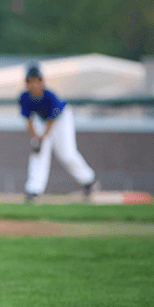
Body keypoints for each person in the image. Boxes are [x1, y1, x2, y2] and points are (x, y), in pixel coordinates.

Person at [21, 64, 99, 203]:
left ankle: (89, 181)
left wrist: (42, 137)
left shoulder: (49, 96)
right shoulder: (25, 98)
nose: (34, 84)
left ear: (41, 81)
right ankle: (33, 190)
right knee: (38, 154)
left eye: (37, 80)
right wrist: (35, 138)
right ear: (27, 83)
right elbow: (29, 121)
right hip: (42, 121)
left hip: (61, 119)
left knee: (67, 153)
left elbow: (52, 121)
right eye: (31, 81)